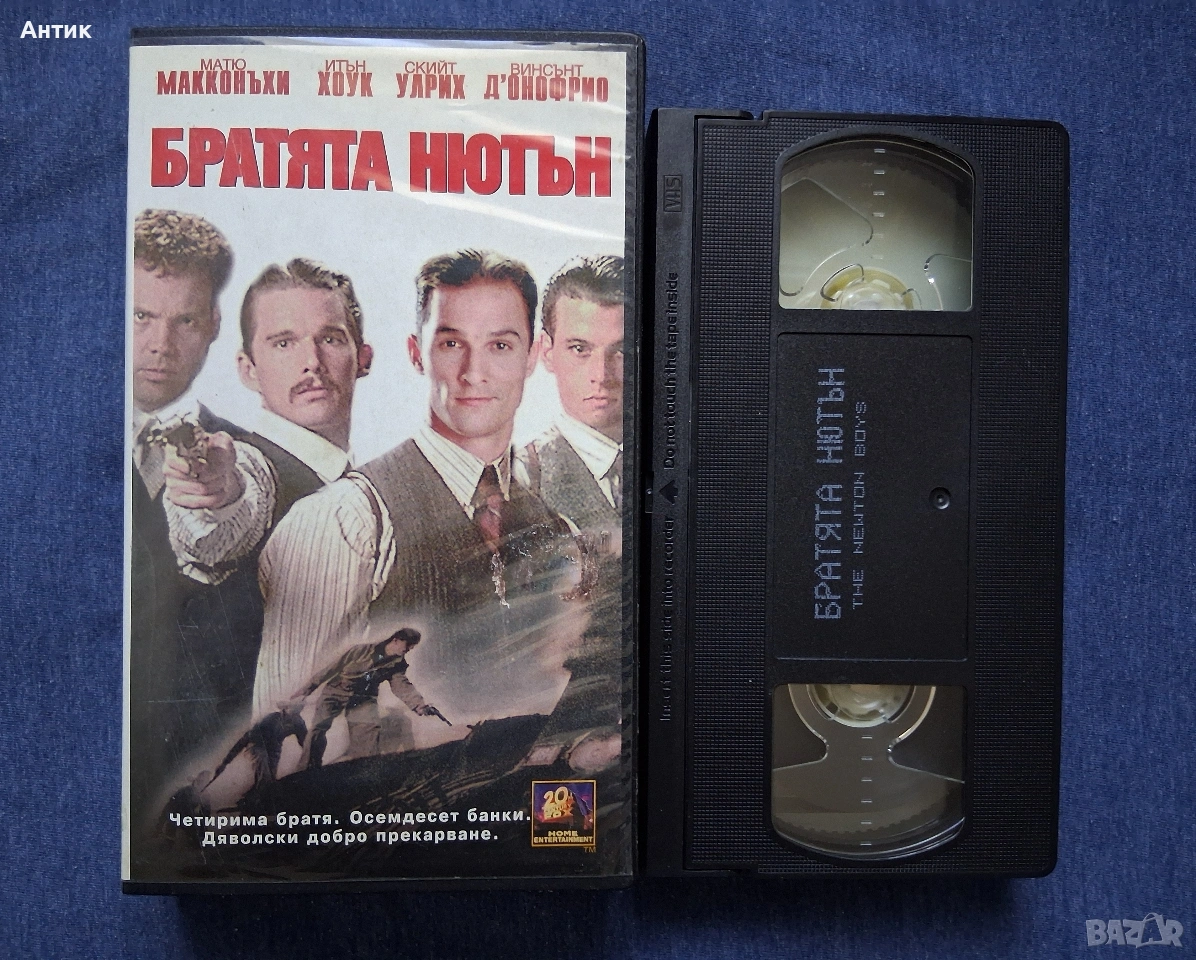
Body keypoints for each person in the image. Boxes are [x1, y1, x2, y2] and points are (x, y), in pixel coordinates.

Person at [253, 250, 582, 732]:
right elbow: (281, 732)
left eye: (500, 345)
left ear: (533, 356)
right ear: (415, 353)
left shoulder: (555, 529)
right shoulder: (347, 519)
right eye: (451, 343)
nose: (474, 371)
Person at [127, 209, 273, 831]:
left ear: (214, 325)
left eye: (184, 320)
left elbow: (239, 502)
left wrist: (223, 492)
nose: (160, 344)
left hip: (196, 800)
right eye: (141, 316)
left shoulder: (250, 459)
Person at [520, 256, 626, 771]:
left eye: (622, 351)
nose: (601, 375)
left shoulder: (705, 465)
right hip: (566, 753)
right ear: (546, 352)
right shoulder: (519, 484)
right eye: (580, 349)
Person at [294, 628, 439, 768]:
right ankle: (307, 769)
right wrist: (307, 689)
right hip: (336, 691)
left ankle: (366, 769)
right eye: (408, 644)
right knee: (319, 726)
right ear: (395, 640)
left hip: (364, 698)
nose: (410, 649)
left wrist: (419, 705)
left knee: (368, 729)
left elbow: (401, 685)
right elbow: (333, 668)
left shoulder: (398, 664)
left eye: (413, 646)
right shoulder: (360, 650)